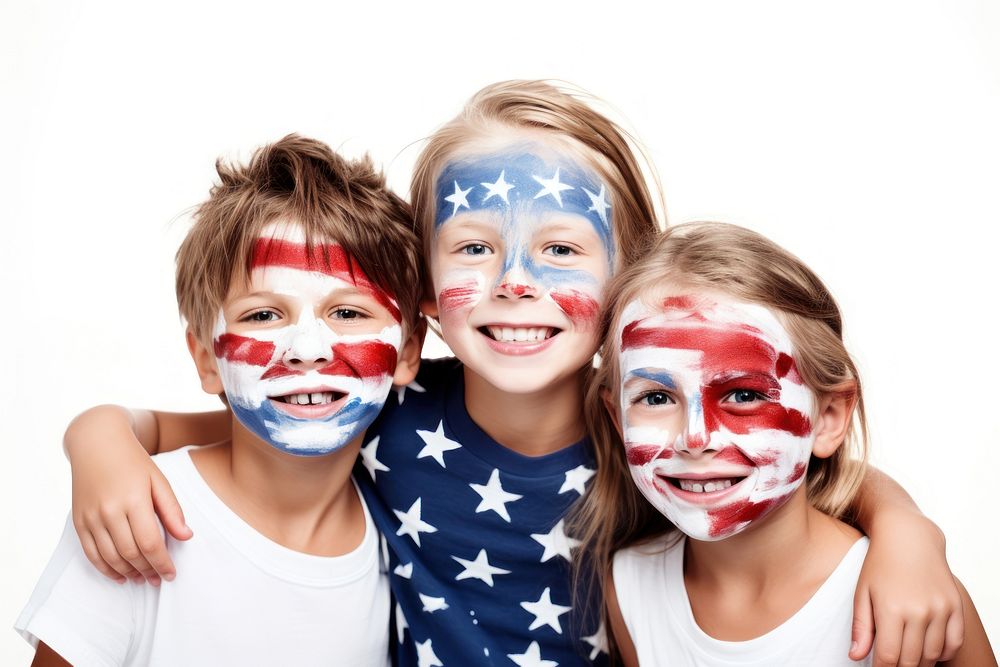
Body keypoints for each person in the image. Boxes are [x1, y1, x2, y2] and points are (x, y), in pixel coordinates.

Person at [61, 82, 964, 666]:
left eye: (562, 248)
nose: (516, 283)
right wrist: (97, 436)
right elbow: (199, 429)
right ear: (421, 290)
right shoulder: (384, 405)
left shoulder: (657, 442)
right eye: (475, 247)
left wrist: (910, 531)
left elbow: (805, 468)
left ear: (629, 277)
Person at [16, 135, 425, 666]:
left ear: (408, 353)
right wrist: (97, 433)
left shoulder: (399, 535)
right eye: (263, 314)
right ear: (208, 358)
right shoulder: (136, 514)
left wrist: (97, 430)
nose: (306, 350)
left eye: (347, 313)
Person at [574, 221, 995, 666]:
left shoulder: (910, 597)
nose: (694, 438)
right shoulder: (630, 587)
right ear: (617, 419)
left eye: (743, 395)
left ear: (828, 418)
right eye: (656, 398)